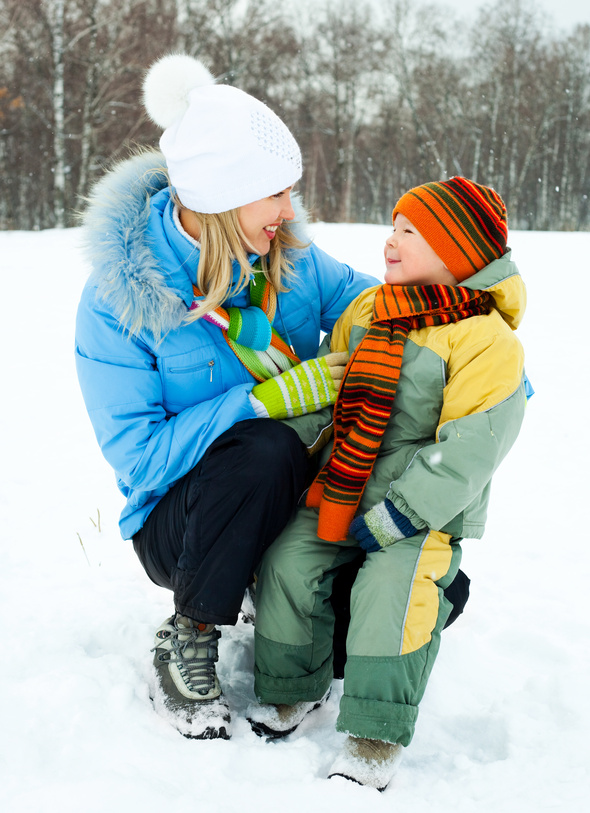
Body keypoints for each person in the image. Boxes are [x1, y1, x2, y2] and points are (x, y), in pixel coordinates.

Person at [74, 53, 380, 741]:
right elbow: (141, 460)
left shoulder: (287, 258)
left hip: (292, 491)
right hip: (178, 526)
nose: (289, 211)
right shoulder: (120, 303)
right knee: (264, 446)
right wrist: (254, 403)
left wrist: (469, 339)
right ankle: (191, 630)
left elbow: (369, 300)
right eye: (274, 193)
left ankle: (286, 600)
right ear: (220, 195)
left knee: (407, 612)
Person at [247, 177, 528, 790]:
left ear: (457, 250)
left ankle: (375, 730)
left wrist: (403, 513)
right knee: (288, 561)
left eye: (409, 231)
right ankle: (291, 687)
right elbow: (332, 395)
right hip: (341, 488)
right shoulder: (371, 310)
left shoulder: (485, 341)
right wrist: (287, 456)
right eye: (393, 226)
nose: (390, 242)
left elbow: (471, 450)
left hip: (418, 511)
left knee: (393, 592)